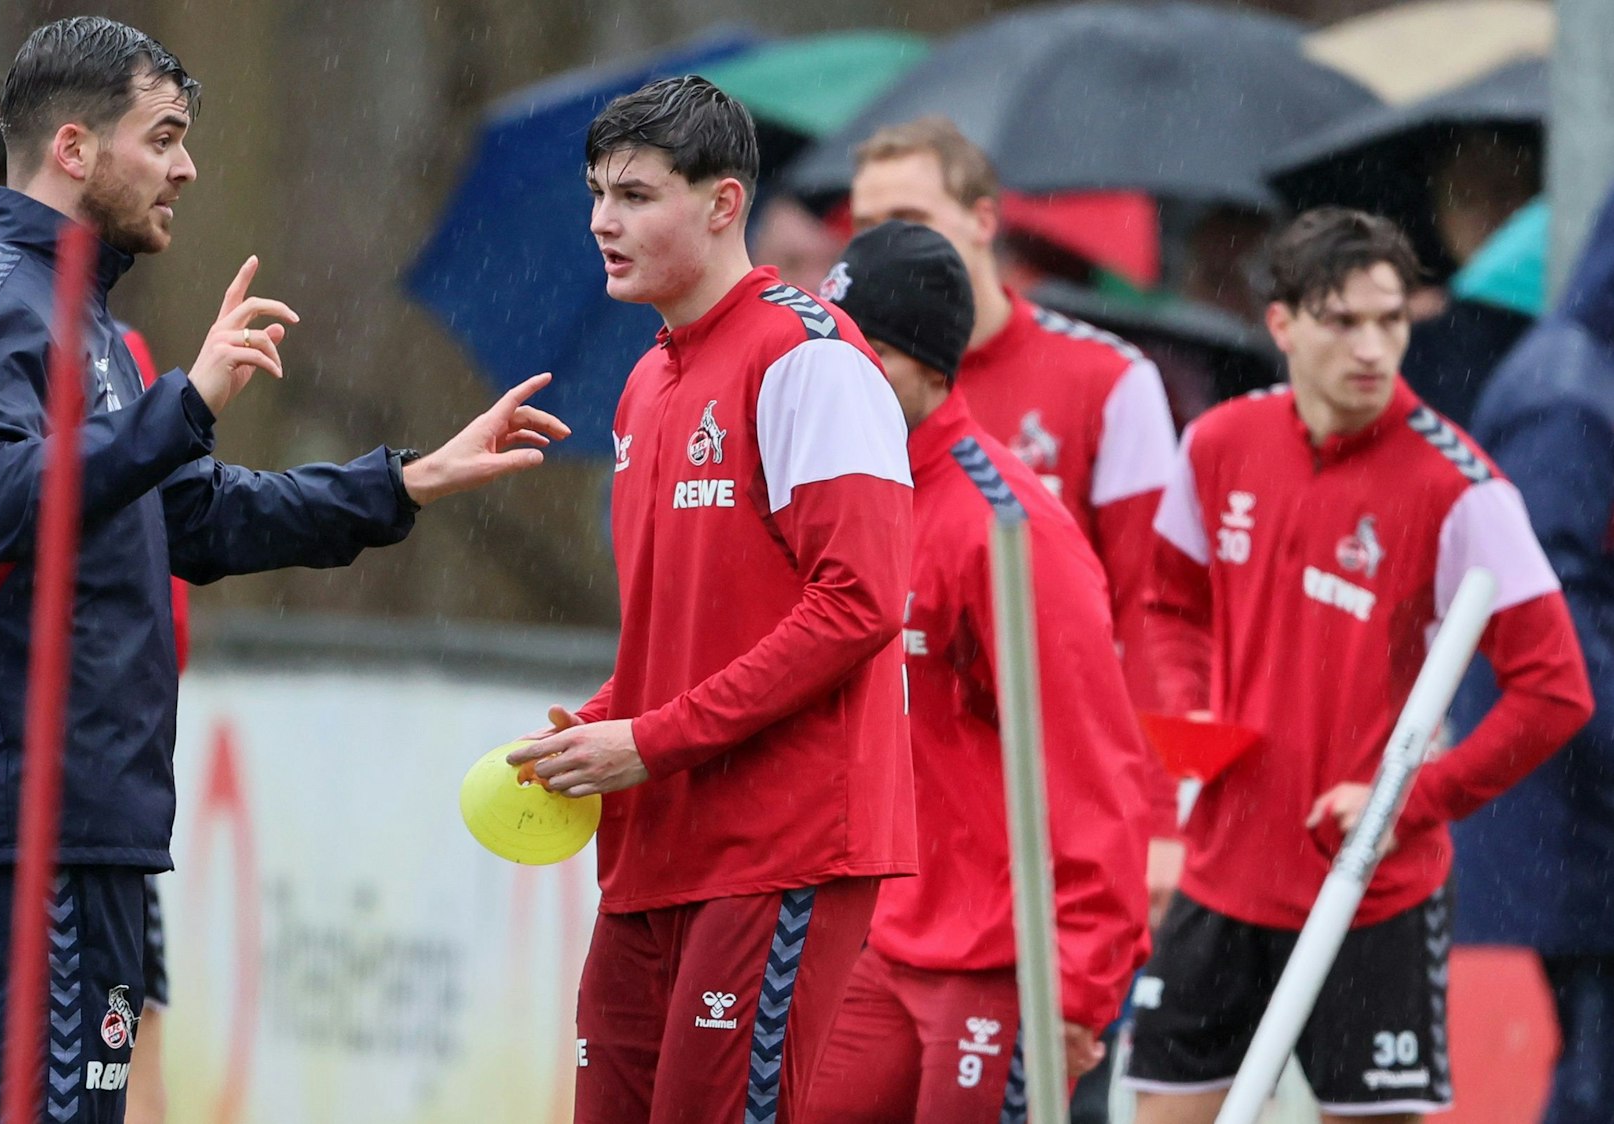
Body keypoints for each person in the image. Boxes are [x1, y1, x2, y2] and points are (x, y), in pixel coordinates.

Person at [0, 19, 567, 1124]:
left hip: (78, 823)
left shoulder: (86, 320)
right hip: (21, 827)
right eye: (163, 138)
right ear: (73, 147)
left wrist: (406, 482)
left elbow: (193, 516)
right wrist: (184, 405)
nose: (188, 167)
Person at [1125, 207, 1594, 1124]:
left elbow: (1556, 692)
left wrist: (1407, 802)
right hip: (1221, 882)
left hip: (1369, 894)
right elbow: (1169, 606)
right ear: (1282, 324)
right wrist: (1192, 721)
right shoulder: (1217, 444)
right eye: (1343, 322)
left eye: (1391, 320)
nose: (1373, 348)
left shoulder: (1464, 489)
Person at [506, 76, 916, 1122]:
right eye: (598, 194)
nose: (602, 222)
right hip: (655, 847)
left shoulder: (811, 359)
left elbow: (861, 603)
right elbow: (686, 630)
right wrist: (598, 725)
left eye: (636, 196)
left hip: (780, 848)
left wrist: (651, 739)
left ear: (725, 203)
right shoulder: (646, 382)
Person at [804, 220, 1154, 1121]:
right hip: (879, 938)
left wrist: (1079, 983)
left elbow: (1094, 768)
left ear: (931, 366)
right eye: (828, 352)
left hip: (1000, 959)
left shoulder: (1007, 529)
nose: (839, 380)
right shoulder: (839, 498)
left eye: (868, 355)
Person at [848, 117, 1185, 924]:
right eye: (864, 226)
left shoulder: (1109, 379)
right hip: (888, 827)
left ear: (984, 221)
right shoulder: (842, 378)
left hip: (1043, 813)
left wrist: (1159, 817)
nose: (886, 243)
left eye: (911, 218)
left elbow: (1151, 616)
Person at [1449, 187, 1614, 1124]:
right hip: (1576, 812)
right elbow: (1550, 612)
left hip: (1575, 805)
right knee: (1595, 1077)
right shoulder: (1569, 390)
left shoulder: (1579, 373)